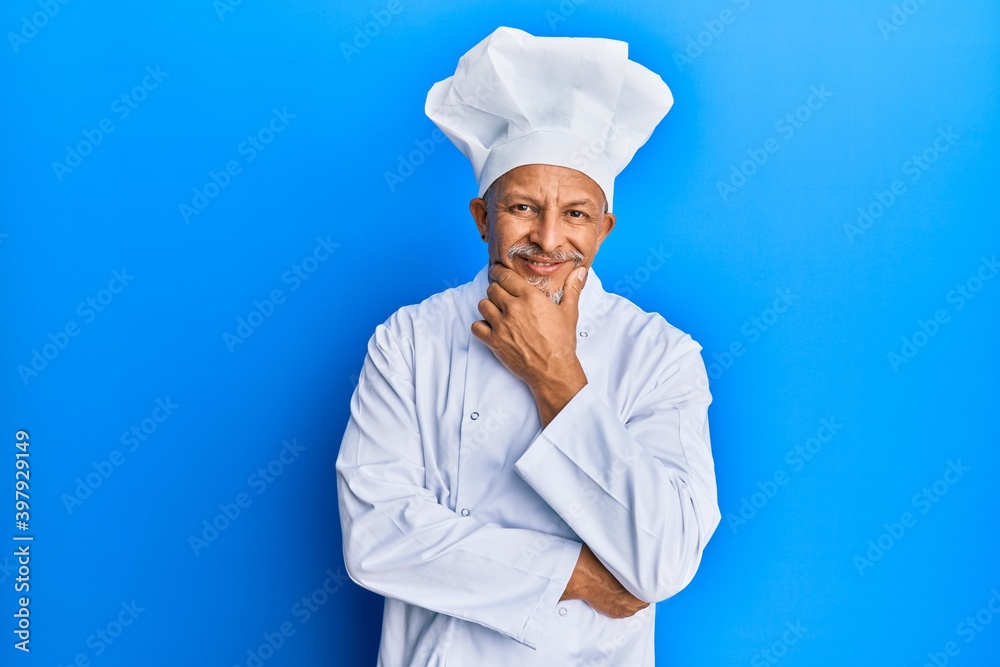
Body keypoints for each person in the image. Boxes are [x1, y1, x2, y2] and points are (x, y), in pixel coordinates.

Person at [336, 26, 721, 666]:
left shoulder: (661, 355)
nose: (547, 240)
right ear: (483, 217)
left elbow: (666, 560)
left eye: (574, 213)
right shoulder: (408, 340)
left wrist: (557, 378)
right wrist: (572, 573)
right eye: (521, 206)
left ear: (604, 229)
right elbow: (375, 535)